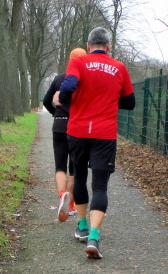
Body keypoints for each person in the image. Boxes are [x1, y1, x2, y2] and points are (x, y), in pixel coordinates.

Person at [56, 27, 135, 259]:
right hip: (104, 133)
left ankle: (82, 225)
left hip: (78, 130)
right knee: (100, 186)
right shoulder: (119, 67)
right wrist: (108, 98)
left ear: (88, 46)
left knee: (80, 177)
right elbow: (130, 102)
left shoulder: (78, 62)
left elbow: (68, 86)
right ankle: (94, 237)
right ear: (108, 46)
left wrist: (65, 99)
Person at [42, 47, 87, 222]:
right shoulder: (86, 80)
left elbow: (46, 101)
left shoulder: (59, 78)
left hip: (60, 124)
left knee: (60, 166)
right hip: (78, 126)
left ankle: (62, 195)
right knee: (74, 168)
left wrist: (56, 113)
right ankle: (71, 205)